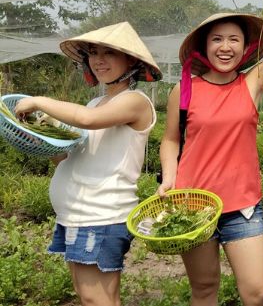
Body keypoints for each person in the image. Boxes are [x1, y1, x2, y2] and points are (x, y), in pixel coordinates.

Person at [157, 0, 263, 306]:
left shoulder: (252, 82)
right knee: (205, 287)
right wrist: (169, 178)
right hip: (193, 204)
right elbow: (170, 140)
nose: (225, 47)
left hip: (243, 207)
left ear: (245, 47)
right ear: (205, 47)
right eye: (217, 39)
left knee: (257, 293)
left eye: (233, 39)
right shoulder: (183, 90)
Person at [14, 22, 162, 306]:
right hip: (78, 215)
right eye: (93, 53)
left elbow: (86, 121)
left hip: (101, 215)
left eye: (109, 53)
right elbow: (70, 156)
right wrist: (43, 140)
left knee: (95, 299)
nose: (99, 60)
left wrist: (39, 101)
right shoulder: (95, 104)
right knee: (96, 297)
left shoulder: (135, 101)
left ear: (131, 60)